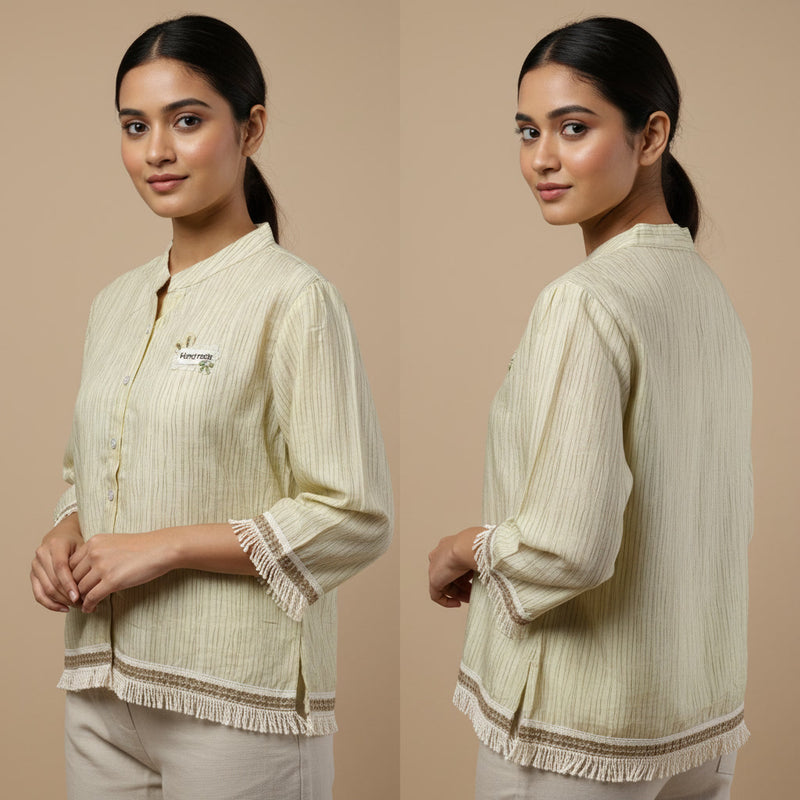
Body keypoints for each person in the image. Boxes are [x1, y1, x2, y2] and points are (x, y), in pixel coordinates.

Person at [29, 15, 392, 800]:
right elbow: (85, 469)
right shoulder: (116, 303)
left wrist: (163, 548)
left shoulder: (294, 300)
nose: (156, 150)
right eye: (135, 126)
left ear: (249, 127)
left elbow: (354, 514)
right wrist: (65, 530)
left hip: (235, 701)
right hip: (99, 687)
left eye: (186, 120)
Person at [428, 17, 751, 800]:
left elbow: (570, 548)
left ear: (651, 136)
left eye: (574, 129)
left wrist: (467, 546)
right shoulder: (703, 291)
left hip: (582, 728)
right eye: (527, 131)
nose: (543, 158)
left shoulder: (586, 301)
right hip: (694, 717)